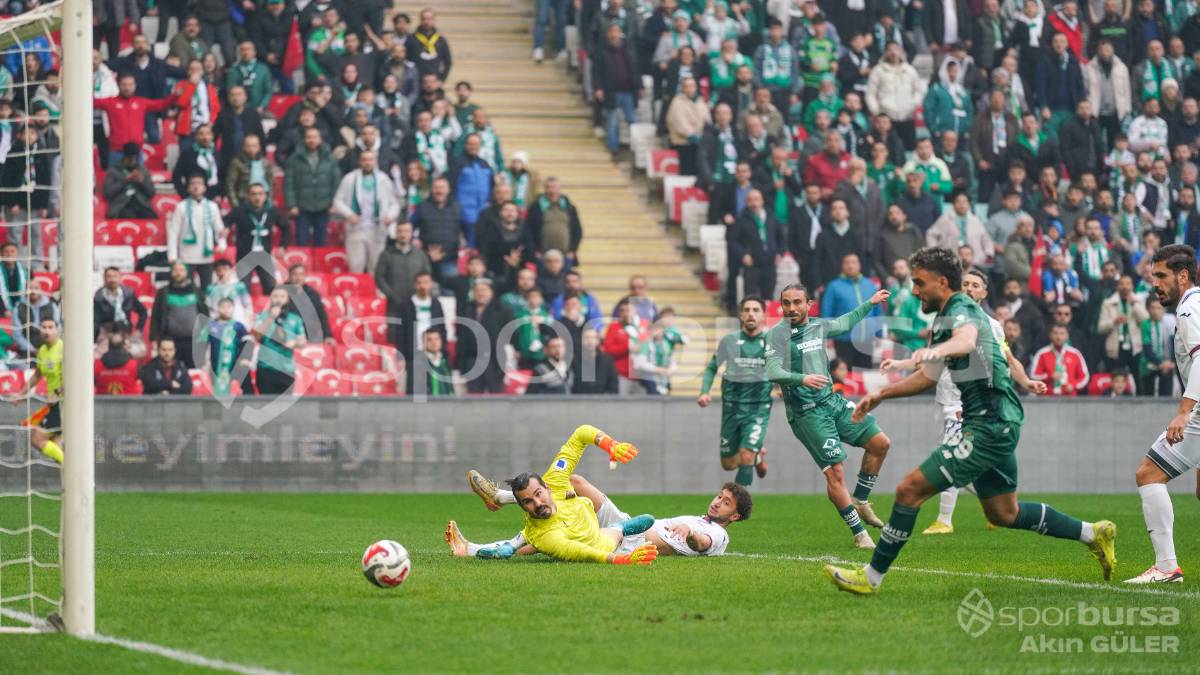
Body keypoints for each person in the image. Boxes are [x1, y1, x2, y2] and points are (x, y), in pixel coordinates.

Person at [825, 247, 1116, 595]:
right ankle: (1092, 532)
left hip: (989, 425)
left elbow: (965, 341)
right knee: (1003, 513)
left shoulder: (962, 310)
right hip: (996, 423)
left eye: (920, 283)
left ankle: (870, 577)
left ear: (942, 282)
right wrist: (881, 395)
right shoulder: (943, 317)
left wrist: (935, 350)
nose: (915, 291)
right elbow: (930, 376)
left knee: (908, 489)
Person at [883, 268, 1047, 535]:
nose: (969, 288)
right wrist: (902, 362)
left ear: (984, 292)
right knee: (968, 464)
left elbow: (1009, 359)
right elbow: (930, 358)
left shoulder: (992, 325)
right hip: (945, 398)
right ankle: (994, 508)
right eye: (966, 284)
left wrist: (1026, 381)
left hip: (966, 405)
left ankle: (944, 520)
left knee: (948, 455)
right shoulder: (947, 319)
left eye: (975, 285)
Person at [764, 283, 893, 549]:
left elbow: (846, 322)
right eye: (786, 303)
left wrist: (870, 303)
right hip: (807, 413)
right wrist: (802, 378)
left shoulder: (818, 326)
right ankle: (859, 534)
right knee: (835, 471)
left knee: (880, 443)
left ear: (808, 304)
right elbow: (772, 371)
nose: (791, 308)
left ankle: (861, 500)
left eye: (797, 302)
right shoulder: (777, 335)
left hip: (832, 402)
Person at [444, 425, 657, 565]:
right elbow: (584, 553)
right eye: (528, 501)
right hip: (600, 537)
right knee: (535, 539)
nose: (537, 503)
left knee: (574, 486)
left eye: (538, 493)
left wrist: (610, 444)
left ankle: (500, 499)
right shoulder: (547, 536)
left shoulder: (554, 479)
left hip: (597, 523)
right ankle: (477, 545)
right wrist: (622, 560)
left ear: (546, 486)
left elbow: (581, 433)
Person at [447, 472, 750, 559]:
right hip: (627, 523)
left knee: (541, 541)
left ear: (734, 517)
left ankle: (470, 549)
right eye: (719, 496)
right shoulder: (702, 516)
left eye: (725, 504)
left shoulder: (720, 534)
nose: (717, 502)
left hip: (625, 541)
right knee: (574, 485)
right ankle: (501, 497)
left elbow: (704, 543)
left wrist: (691, 533)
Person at [1127, 244, 1200, 582]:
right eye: (1152, 275)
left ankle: (1167, 567)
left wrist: (1184, 411)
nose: (1154, 283)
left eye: (1161, 275)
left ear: (1182, 276)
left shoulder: (1189, 310)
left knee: (1149, 474)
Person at [698, 296, 771, 487]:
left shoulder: (773, 342)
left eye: (756, 310)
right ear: (740, 315)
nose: (751, 314)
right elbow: (712, 367)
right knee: (728, 463)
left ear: (764, 315)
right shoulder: (729, 340)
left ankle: (738, 507)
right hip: (731, 407)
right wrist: (704, 391)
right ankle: (757, 457)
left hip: (758, 408)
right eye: (747, 310)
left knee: (745, 454)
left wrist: (781, 388)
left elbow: (785, 369)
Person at [333, 150, 400, 274]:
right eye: (364, 160)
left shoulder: (383, 179)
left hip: (377, 228)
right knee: (355, 265)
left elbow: (395, 203)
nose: (367, 163)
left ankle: (372, 292)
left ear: (375, 161)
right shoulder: (350, 178)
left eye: (370, 160)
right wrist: (349, 214)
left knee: (376, 266)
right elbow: (337, 201)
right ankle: (357, 292)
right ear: (360, 162)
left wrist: (390, 216)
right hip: (356, 228)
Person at [10, 318, 64, 463]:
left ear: (57, 329)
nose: (46, 331)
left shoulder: (63, 349)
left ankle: (74, 470)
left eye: (50, 327)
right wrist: (21, 394)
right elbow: (37, 375)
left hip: (65, 403)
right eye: (43, 327)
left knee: (37, 437)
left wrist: (58, 393)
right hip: (53, 404)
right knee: (57, 443)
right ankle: (74, 479)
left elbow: (74, 376)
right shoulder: (42, 351)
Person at [283, 127, 343, 248]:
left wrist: (334, 204)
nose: (312, 140)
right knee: (301, 242)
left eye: (315, 137)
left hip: (324, 207)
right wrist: (292, 205)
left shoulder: (330, 158)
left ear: (320, 139)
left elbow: (336, 183)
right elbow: (288, 184)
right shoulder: (294, 159)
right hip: (302, 207)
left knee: (321, 243)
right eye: (309, 137)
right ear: (304, 139)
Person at [821, 253, 882, 370]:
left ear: (859, 265)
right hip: (843, 339)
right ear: (842, 266)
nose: (850, 265)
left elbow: (877, 309)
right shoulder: (834, 286)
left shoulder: (870, 285)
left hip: (866, 339)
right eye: (847, 262)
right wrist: (827, 336)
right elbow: (827, 311)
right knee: (845, 374)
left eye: (854, 262)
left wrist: (879, 333)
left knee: (864, 375)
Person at [168, 173, 226, 293]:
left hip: (206, 256)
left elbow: (219, 228)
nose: (196, 186)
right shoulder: (181, 207)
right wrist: (172, 255)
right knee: (186, 288)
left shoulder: (212, 206)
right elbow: (173, 232)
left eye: (199, 183)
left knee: (207, 290)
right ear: (188, 188)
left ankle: (205, 311)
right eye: (192, 183)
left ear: (204, 187)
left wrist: (222, 243)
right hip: (186, 256)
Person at [229, 182, 288, 296]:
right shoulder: (240, 210)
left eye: (260, 194)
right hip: (244, 257)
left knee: (271, 289)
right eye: (254, 194)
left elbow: (286, 227)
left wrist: (283, 245)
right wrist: (225, 228)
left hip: (264, 256)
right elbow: (226, 221)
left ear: (265, 195)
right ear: (248, 196)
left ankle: (272, 313)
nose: (257, 197)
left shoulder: (271, 211)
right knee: (242, 290)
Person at [456, 278, 507, 394]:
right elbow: (462, 338)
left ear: (491, 292)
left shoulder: (501, 311)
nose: (481, 293)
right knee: (474, 396)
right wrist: (461, 363)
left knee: (496, 395)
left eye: (484, 290)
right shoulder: (467, 311)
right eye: (477, 290)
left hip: (494, 360)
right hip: (472, 359)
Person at [730, 189, 784, 300]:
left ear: (762, 201)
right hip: (752, 264)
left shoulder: (771, 217)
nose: (754, 203)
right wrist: (743, 255)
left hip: (770, 263)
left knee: (768, 298)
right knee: (751, 298)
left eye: (756, 200)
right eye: (750, 200)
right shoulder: (741, 219)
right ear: (746, 202)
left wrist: (779, 253)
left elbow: (781, 238)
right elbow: (732, 241)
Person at [252, 286, 306, 395]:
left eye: (282, 296)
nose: (278, 299)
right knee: (267, 407)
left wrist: (294, 343)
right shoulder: (262, 316)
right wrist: (270, 317)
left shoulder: (295, 319)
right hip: (265, 368)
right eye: (275, 296)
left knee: (285, 407)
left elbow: (302, 341)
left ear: (287, 299)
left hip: (286, 370)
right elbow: (257, 336)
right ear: (270, 299)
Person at [396, 272, 446, 386]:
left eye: (426, 282)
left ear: (431, 284)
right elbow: (400, 332)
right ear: (415, 285)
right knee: (415, 387)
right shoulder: (405, 305)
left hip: (433, 353)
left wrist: (442, 350)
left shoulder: (436, 304)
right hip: (413, 353)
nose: (423, 286)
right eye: (419, 283)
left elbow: (442, 329)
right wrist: (400, 356)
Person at [927, 191, 996, 265]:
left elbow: (986, 238)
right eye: (958, 202)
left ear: (969, 204)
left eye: (964, 202)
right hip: (950, 260)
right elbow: (931, 235)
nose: (962, 205)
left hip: (974, 260)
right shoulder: (945, 220)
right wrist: (934, 253)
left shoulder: (975, 220)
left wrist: (989, 253)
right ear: (953, 204)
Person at [206, 297, 252, 397]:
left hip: (236, 363)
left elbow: (248, 343)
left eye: (229, 306)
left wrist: (246, 358)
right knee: (217, 391)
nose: (226, 309)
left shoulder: (238, 326)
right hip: (216, 364)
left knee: (246, 386)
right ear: (217, 308)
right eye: (222, 306)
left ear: (233, 308)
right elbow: (202, 343)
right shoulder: (211, 326)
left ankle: (249, 406)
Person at [103, 142, 157, 219]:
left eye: (135, 159)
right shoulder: (113, 171)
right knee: (128, 216)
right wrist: (124, 181)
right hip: (122, 205)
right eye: (130, 159)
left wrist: (142, 181)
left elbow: (152, 193)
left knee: (150, 216)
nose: (132, 162)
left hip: (141, 203)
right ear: (124, 157)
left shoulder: (143, 170)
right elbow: (108, 193)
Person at [92, 266, 147, 340]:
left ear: (120, 277)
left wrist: (138, 330)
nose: (112, 279)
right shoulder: (99, 297)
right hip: (107, 334)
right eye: (109, 276)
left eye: (115, 276)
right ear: (104, 278)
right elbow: (95, 320)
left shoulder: (128, 294)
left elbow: (143, 311)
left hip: (126, 332)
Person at [1138, 295, 1176, 397]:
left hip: (1167, 364)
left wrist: (1171, 362)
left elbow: (1174, 344)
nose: (1155, 311)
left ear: (1164, 309)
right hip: (1149, 364)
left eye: (1159, 308)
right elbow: (1147, 348)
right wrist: (1160, 363)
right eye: (1152, 308)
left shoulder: (1170, 322)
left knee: (1166, 395)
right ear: (1148, 309)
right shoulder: (1145, 324)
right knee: (1148, 396)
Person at [94, 328, 140, 395]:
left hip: (104, 403)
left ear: (109, 346)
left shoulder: (97, 365)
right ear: (123, 346)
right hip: (129, 403)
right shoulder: (134, 365)